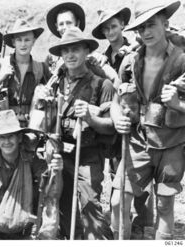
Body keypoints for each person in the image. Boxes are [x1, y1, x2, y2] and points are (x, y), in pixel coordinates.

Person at [110, 0, 185, 240]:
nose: (146, 32)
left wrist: (177, 105)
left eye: (151, 25)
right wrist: (116, 118)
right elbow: (115, 98)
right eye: (141, 28)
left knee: (164, 205)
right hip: (136, 141)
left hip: (171, 143)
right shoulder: (130, 62)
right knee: (117, 200)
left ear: (166, 24)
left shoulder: (182, 61)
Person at [38, 26, 115, 239]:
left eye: (76, 50)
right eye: (65, 51)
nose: (70, 55)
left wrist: (90, 118)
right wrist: (43, 103)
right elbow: (44, 122)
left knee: (90, 208)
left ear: (86, 52)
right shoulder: (55, 83)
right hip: (61, 155)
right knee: (63, 209)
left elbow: (111, 127)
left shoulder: (102, 85)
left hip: (88, 156)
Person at [92, 7, 154, 239]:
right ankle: (120, 226)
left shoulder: (136, 51)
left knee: (135, 178)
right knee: (116, 172)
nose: (110, 32)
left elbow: (131, 88)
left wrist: (108, 71)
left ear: (122, 27)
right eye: (106, 28)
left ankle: (142, 222)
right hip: (113, 123)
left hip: (135, 125)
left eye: (114, 26)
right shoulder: (102, 56)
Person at [0, 110, 63, 240]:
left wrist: (57, 171)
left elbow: (52, 193)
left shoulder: (32, 160)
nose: (7, 141)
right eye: (2, 137)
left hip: (24, 226)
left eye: (11, 136)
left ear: (19, 138)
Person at [0, 19, 50, 127]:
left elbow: (51, 97)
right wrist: (1, 77)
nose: (23, 44)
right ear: (13, 42)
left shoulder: (41, 68)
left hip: (31, 127)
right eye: (19, 40)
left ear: (33, 41)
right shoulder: (0, 65)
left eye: (27, 40)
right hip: (5, 126)